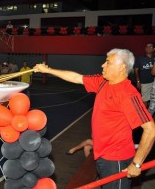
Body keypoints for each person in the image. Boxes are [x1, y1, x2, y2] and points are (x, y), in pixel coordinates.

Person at [34, 48, 155, 189]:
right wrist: (48, 71)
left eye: (108, 62)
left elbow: (151, 129)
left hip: (115, 160)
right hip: (101, 154)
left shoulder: (128, 94)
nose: (103, 65)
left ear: (122, 67)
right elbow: (76, 78)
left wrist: (137, 163)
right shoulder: (103, 82)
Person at [134, 43, 155, 107]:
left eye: (150, 47)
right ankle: (144, 114)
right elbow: (136, 70)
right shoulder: (140, 58)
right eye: (146, 46)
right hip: (145, 82)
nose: (148, 48)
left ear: (154, 49)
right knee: (144, 100)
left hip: (154, 82)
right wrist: (138, 81)